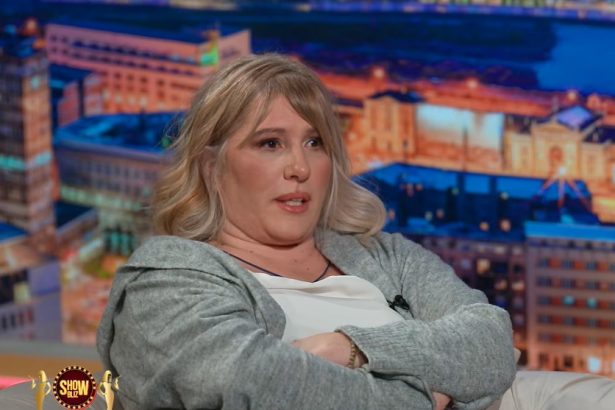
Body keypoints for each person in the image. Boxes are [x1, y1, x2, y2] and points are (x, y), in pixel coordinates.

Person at [97, 53, 517, 410]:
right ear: (212, 167)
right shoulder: (166, 279)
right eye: (270, 143)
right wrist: (425, 397)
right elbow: (249, 384)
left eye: (315, 143)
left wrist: (348, 348)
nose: (299, 167)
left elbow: (491, 344)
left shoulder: (385, 255)